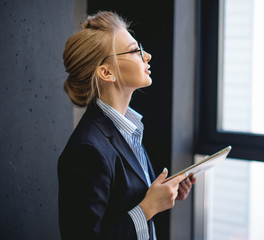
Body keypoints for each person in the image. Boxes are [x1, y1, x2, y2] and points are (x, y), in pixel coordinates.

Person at [57, 11, 195, 240]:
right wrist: (148, 208)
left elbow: (125, 200)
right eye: (134, 51)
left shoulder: (129, 129)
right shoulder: (86, 150)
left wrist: (165, 192)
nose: (147, 56)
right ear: (106, 72)